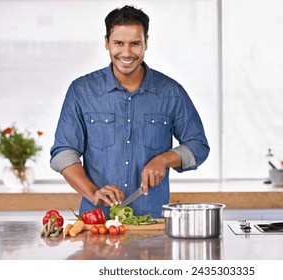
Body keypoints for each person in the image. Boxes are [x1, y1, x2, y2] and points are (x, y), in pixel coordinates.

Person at [50, 5, 209, 218]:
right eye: (118, 43)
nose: (126, 53)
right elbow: (63, 153)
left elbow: (198, 145)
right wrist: (93, 192)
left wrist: (164, 160)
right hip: (97, 223)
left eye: (135, 43)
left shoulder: (171, 92)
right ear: (107, 43)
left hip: (152, 222)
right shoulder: (81, 91)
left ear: (146, 43)